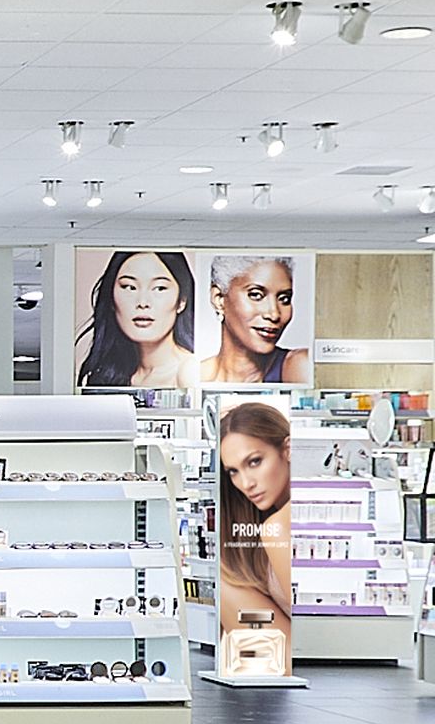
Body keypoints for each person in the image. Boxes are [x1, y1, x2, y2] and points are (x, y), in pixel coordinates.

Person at [216, 401, 292, 641]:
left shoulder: (278, 526)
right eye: (233, 472)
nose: (246, 483)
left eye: (255, 461)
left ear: (288, 449)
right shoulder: (263, 529)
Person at [75, 251, 199, 388]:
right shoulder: (107, 375)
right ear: (111, 299)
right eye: (129, 287)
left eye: (159, 288)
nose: (143, 302)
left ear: (182, 301)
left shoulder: (190, 372)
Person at [201, 255, 312, 384]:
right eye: (256, 295)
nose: (274, 314)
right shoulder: (194, 375)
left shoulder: (299, 365)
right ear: (219, 299)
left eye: (284, 299)